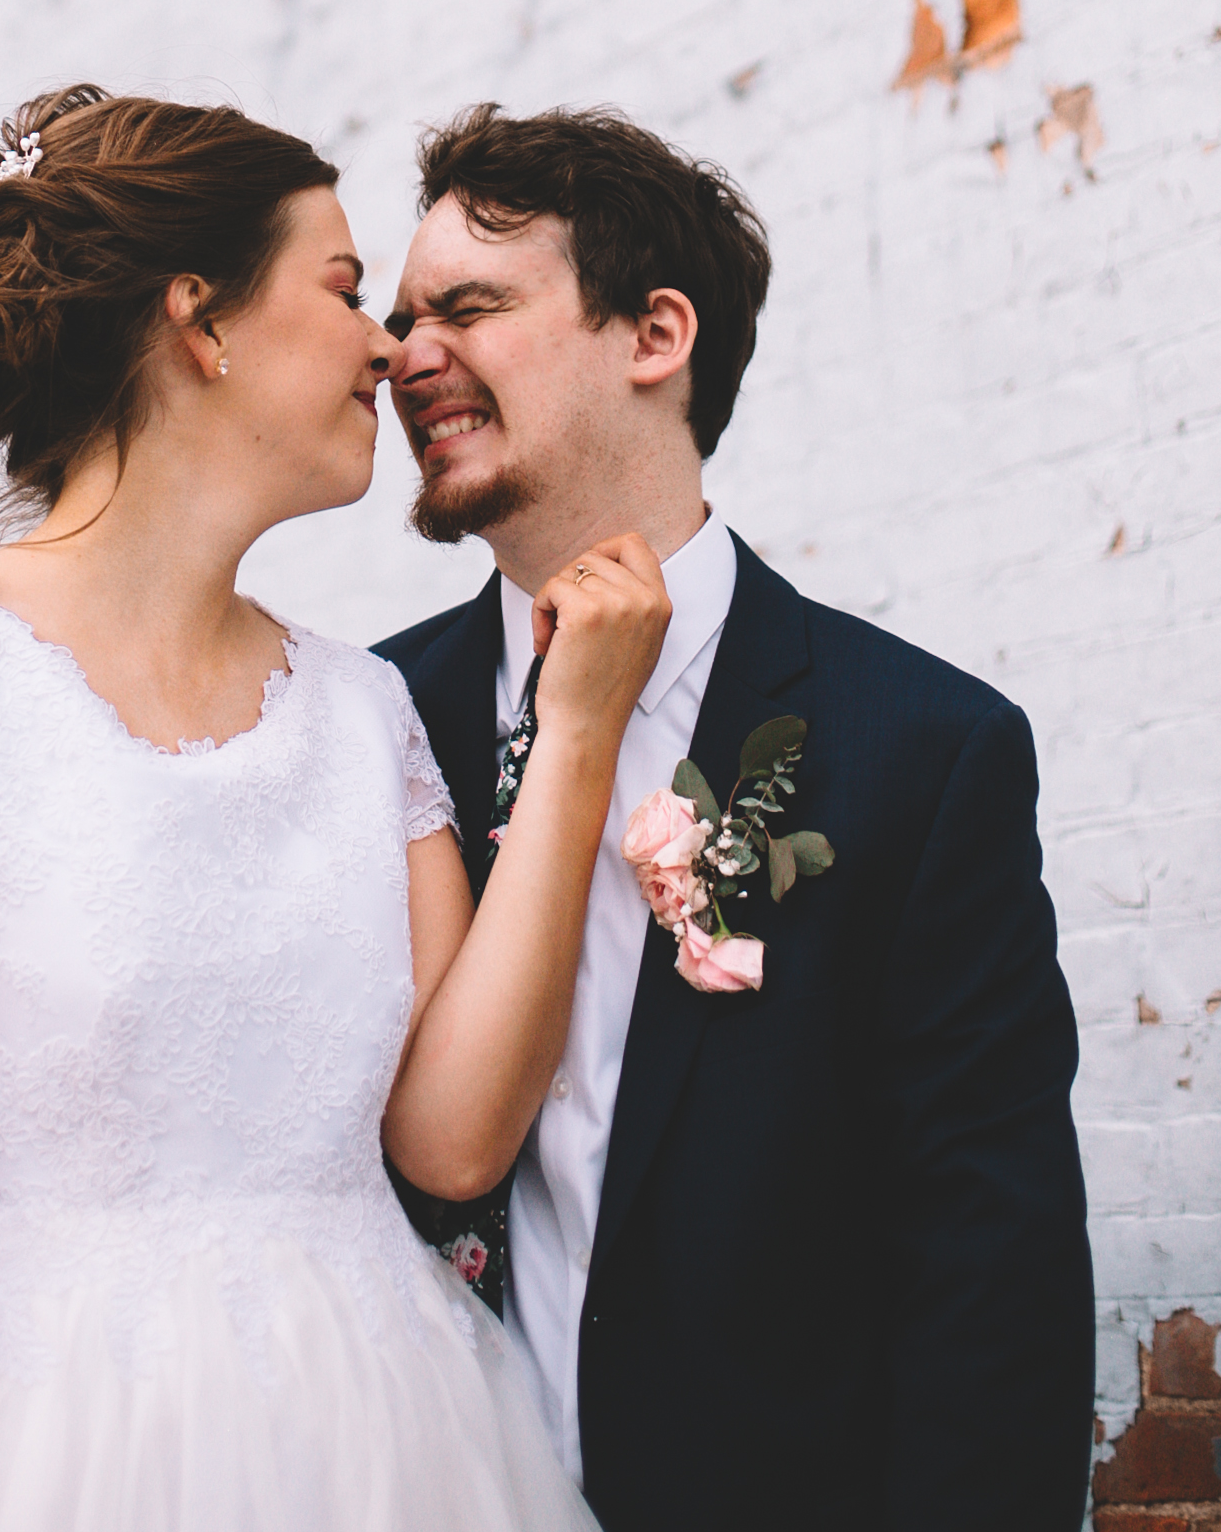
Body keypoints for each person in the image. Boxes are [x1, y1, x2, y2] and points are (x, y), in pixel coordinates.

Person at [0, 85, 672, 1532]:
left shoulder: (360, 713)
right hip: (47, 1436)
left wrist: (575, 737)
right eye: (344, 289)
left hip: (384, 1438)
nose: (389, 345)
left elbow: (448, 1139)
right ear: (200, 318)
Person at [372, 102, 1096, 1531]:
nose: (404, 357)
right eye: (396, 318)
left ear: (653, 336)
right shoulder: (361, 729)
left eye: (466, 307)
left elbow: (985, 1273)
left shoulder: (921, 753)